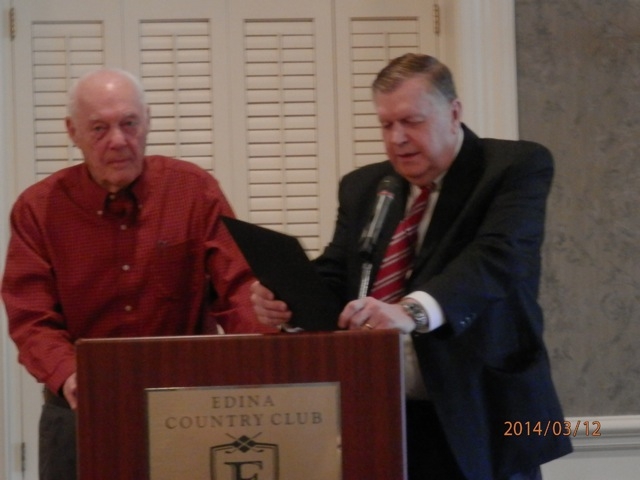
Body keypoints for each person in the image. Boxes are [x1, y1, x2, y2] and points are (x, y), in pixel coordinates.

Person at [251, 53, 572, 479]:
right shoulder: (365, 186)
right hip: (382, 414)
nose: (397, 138)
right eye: (386, 125)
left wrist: (410, 312)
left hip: (482, 411)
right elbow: (337, 276)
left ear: (454, 113)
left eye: (411, 122)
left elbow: (497, 259)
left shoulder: (513, 168)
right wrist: (287, 302)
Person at [1, 68, 275, 480]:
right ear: (71, 131)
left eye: (129, 124)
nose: (117, 141)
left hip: (185, 407)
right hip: (81, 408)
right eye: (99, 128)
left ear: (147, 121)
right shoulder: (38, 210)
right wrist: (71, 375)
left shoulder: (194, 191)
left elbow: (237, 288)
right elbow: (31, 317)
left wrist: (263, 361)